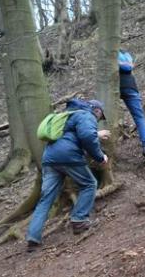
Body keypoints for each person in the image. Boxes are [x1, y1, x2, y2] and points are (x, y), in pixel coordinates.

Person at [26, 99, 109, 250]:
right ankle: (79, 220)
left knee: (46, 199)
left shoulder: (67, 114)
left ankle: (33, 237)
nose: (98, 119)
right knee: (89, 184)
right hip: (68, 156)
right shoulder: (86, 115)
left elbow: (72, 135)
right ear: (97, 110)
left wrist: (96, 134)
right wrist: (100, 156)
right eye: (100, 116)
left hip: (49, 158)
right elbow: (87, 137)